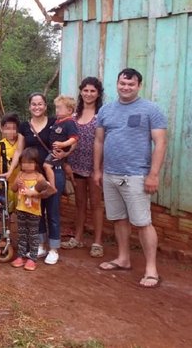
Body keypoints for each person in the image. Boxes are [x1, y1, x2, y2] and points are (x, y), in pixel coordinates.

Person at [94, 68, 167, 288]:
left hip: (137, 174)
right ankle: (123, 258)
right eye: (122, 83)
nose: (126, 87)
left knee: (143, 222)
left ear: (138, 86)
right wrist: (97, 170)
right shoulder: (106, 110)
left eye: (131, 84)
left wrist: (153, 174)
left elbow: (160, 143)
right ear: (116, 84)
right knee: (118, 219)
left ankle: (151, 269)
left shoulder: (151, 109)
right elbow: (98, 141)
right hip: (110, 174)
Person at [7, 92, 70, 265]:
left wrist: (66, 154)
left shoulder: (54, 123)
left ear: (45, 106)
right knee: (36, 211)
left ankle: (54, 248)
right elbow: (19, 151)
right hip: (31, 176)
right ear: (29, 107)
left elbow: (68, 142)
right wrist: (10, 171)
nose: (37, 107)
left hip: (53, 171)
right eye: (34, 104)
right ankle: (41, 244)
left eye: (40, 104)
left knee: (53, 210)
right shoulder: (24, 127)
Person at [61, 77, 104, 256]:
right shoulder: (74, 116)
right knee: (79, 204)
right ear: (81, 92)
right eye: (85, 90)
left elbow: (102, 141)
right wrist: (66, 163)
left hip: (96, 167)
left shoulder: (102, 114)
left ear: (98, 93)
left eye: (92, 91)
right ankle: (77, 238)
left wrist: (98, 169)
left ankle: (97, 242)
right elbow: (66, 141)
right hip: (76, 165)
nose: (88, 94)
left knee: (96, 204)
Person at [10, 147, 55, 271]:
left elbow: (48, 190)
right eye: (24, 162)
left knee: (33, 234)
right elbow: (13, 189)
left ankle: (32, 258)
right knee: (22, 234)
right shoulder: (20, 174)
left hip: (34, 211)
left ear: (36, 163)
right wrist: (16, 184)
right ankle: (21, 256)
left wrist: (35, 194)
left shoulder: (39, 177)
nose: (27, 165)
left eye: (30, 162)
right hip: (21, 209)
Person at [43, 95, 78, 189]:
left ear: (69, 110)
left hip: (59, 150)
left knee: (46, 165)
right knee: (65, 164)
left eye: (59, 108)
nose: (57, 110)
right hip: (56, 149)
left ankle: (52, 187)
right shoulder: (58, 121)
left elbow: (74, 138)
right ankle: (73, 181)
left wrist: (63, 144)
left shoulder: (69, 122)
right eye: (56, 107)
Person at [0, 113, 20, 212]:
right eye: (7, 128)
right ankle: (7, 224)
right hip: (6, 182)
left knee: (20, 205)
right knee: (7, 208)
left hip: (19, 180)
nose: (11, 131)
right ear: (3, 129)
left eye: (14, 128)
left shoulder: (21, 144)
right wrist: (1, 170)